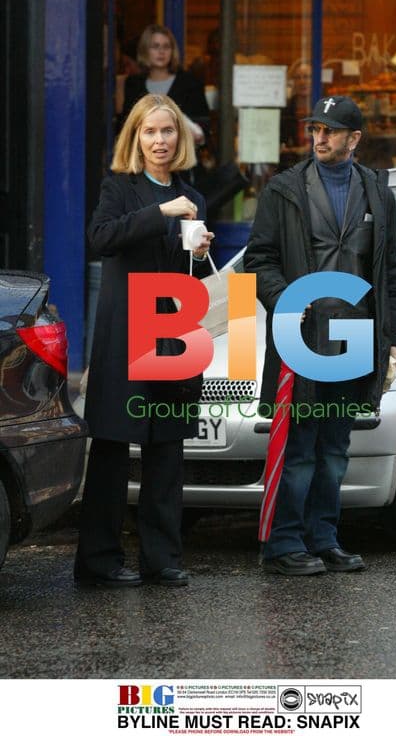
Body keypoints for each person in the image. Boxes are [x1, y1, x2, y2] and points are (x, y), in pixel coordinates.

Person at [244, 96, 396, 576]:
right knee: (298, 448)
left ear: (354, 140)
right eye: (315, 128)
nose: (319, 138)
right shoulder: (284, 189)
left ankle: (324, 538)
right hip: (303, 338)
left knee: (335, 449)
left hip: (355, 337)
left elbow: (390, 272)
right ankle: (283, 545)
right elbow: (258, 261)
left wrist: (395, 338)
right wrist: (286, 300)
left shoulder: (378, 191)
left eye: (330, 131)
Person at [74, 94, 214, 588]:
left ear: (180, 138)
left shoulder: (193, 196)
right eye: (150, 132)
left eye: (168, 131)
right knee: (112, 448)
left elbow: (187, 272)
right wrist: (162, 212)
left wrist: (196, 249)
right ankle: (99, 560)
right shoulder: (120, 189)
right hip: (124, 335)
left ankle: (163, 558)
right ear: (135, 137)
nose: (160, 140)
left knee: (167, 449)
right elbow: (102, 238)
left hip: (173, 334)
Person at [119, 24, 210, 144]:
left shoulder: (190, 83)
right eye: (155, 46)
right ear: (145, 50)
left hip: (183, 159)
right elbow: (127, 127)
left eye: (166, 47)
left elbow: (203, 126)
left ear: (172, 51)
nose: (161, 51)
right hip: (145, 159)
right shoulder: (134, 84)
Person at [279, 61, 312, 170]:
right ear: (292, 82)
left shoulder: (325, 107)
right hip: (292, 167)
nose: (302, 81)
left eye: (307, 77)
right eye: (298, 77)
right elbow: (280, 145)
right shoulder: (285, 110)